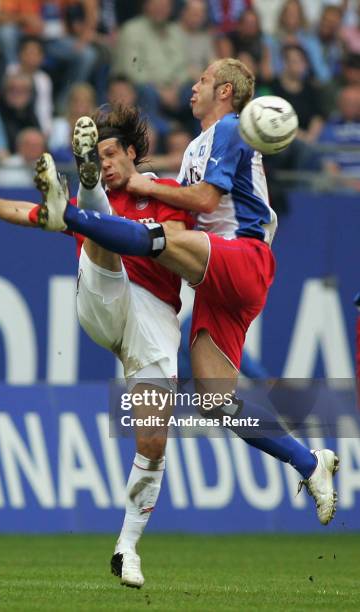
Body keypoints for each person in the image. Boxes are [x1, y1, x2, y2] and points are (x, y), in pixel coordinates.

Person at [36, 58, 340, 529]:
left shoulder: (232, 127)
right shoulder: (201, 143)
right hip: (220, 283)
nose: (192, 86)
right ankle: (308, 462)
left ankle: (69, 215)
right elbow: (194, 197)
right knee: (215, 401)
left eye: (201, 80)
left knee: (159, 237)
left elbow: (203, 202)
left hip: (241, 256)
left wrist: (136, 182)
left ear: (224, 91)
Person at [0, 105, 194, 589]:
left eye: (107, 156)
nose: (107, 161)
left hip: (154, 319)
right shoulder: (104, 203)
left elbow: (181, 242)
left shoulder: (163, 194)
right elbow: (26, 212)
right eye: (96, 158)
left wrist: (128, 229)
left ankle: (127, 548)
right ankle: (86, 197)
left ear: (132, 154)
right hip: (103, 294)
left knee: (153, 441)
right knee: (98, 234)